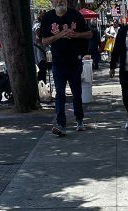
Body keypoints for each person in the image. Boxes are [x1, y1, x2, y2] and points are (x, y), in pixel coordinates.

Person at [40, 0, 92, 136]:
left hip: (75, 61)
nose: (60, 2)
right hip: (58, 62)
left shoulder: (75, 15)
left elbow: (89, 34)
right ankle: (61, 124)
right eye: (56, 0)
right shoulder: (47, 17)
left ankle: (79, 120)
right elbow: (44, 41)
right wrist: (61, 34)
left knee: (77, 93)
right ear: (52, 2)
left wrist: (76, 35)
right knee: (60, 95)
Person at [33, 13, 49, 84]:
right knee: (41, 71)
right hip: (39, 52)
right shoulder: (38, 24)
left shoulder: (39, 24)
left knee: (42, 71)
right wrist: (46, 42)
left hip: (41, 51)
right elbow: (37, 37)